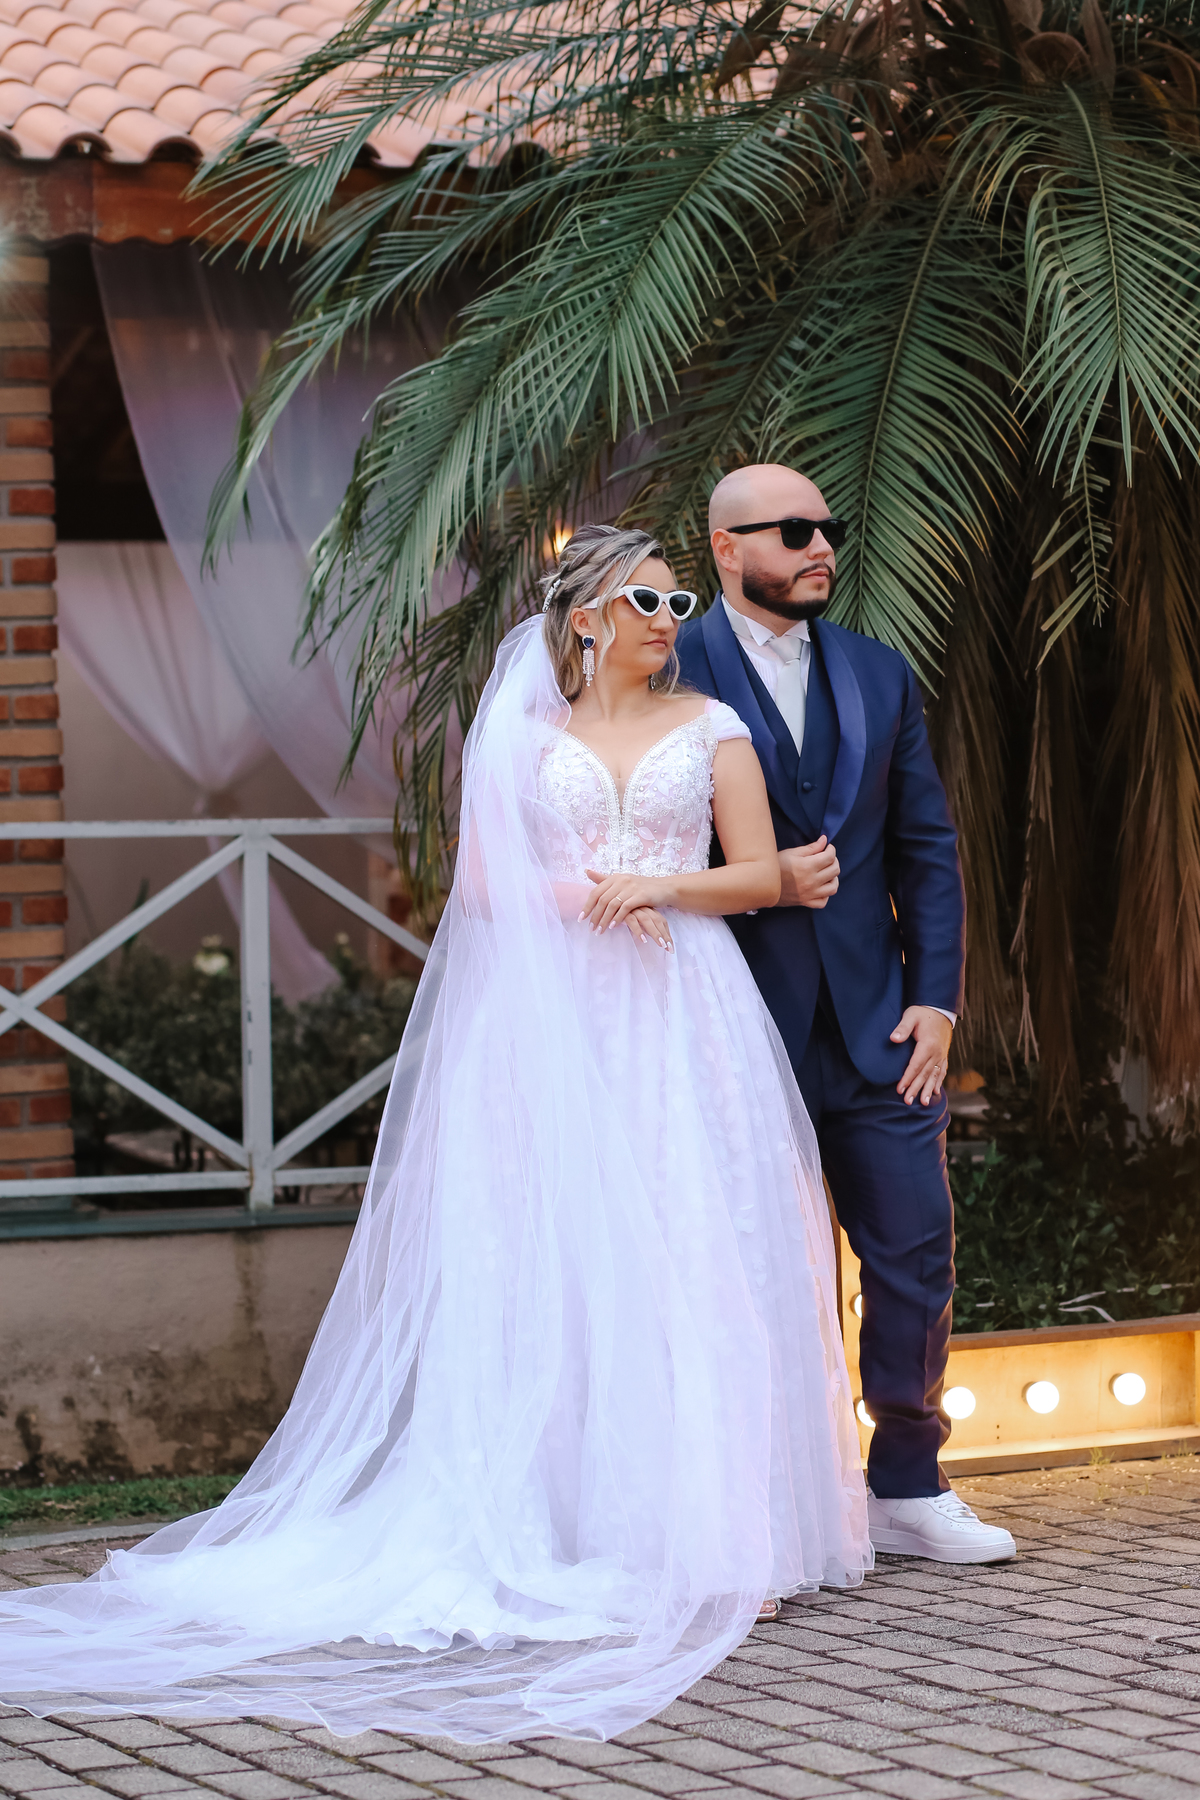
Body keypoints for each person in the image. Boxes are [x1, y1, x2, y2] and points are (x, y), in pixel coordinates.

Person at [0, 525, 870, 1742]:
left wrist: (660, 885)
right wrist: (593, 894)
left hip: (685, 1009)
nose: (669, 620)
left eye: (678, 601)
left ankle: (724, 1539)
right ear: (584, 618)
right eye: (647, 600)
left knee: (697, 1248)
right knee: (556, 1257)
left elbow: (763, 873)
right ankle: (573, 1526)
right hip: (552, 1020)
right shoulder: (519, 738)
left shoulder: (713, 728)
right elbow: (484, 889)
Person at [676, 465, 1016, 1564]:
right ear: (726, 548)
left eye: (827, 527)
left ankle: (908, 1483)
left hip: (881, 1027)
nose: (821, 545)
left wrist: (937, 1000)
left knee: (916, 1249)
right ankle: (775, 1500)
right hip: (731, 1028)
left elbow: (927, 846)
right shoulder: (669, 668)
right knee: (757, 1271)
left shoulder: (878, 671)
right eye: (793, 531)